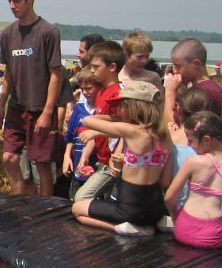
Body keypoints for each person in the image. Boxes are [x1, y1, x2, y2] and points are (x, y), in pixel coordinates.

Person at [72, 81, 171, 236]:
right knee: (148, 212)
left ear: (132, 107)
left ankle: (122, 228)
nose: (118, 110)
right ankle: (157, 222)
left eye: (122, 106)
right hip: (156, 208)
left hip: (130, 209)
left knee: (77, 208)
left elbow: (87, 120)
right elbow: (165, 181)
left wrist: (117, 118)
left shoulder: (131, 130)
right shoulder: (165, 136)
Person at [0, 0, 62, 196]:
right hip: (16, 107)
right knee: (9, 157)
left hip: (39, 108)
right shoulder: (8, 34)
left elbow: (56, 74)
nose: (12, 6)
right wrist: (1, 105)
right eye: (9, 1)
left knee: (41, 163)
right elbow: (8, 72)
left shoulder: (48, 32)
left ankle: (46, 208)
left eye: (16, 1)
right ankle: (18, 202)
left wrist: (48, 112)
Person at [165, 111, 222, 248]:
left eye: (191, 140)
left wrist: (175, 216)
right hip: (213, 235)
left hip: (183, 229)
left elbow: (169, 198)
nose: (188, 145)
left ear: (206, 140)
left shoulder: (193, 162)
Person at [73, 41, 125, 202]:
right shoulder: (101, 92)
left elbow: (123, 125)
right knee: (106, 201)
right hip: (102, 160)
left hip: (112, 162)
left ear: (112, 67)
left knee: (81, 197)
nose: (92, 70)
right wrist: (85, 156)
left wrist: (94, 131)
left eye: (96, 67)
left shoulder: (118, 93)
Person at [62, 67, 100, 200]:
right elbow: (70, 137)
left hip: (97, 169)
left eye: (88, 88)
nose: (84, 92)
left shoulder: (103, 111)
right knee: (74, 199)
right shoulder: (78, 108)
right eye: (82, 89)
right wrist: (67, 156)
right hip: (78, 168)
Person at [166, 38, 222, 120]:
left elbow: (172, 125)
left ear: (196, 64)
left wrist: (170, 92)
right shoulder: (207, 87)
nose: (174, 71)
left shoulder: (204, 92)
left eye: (178, 66)